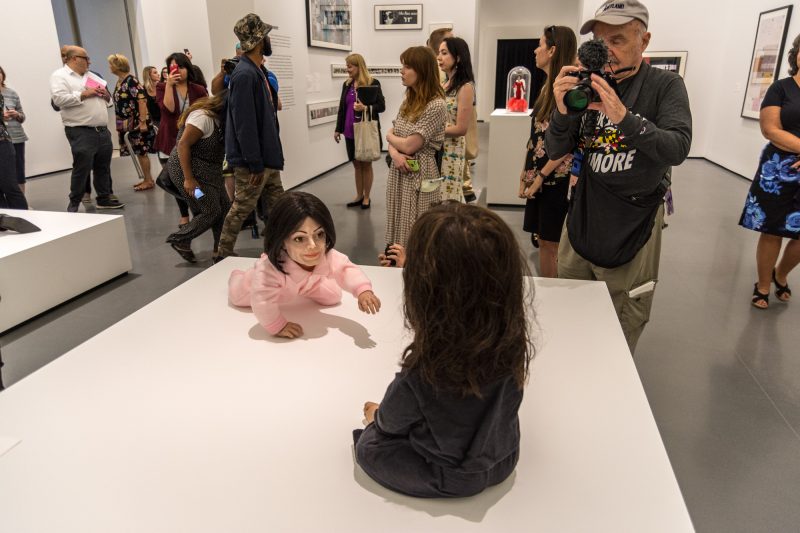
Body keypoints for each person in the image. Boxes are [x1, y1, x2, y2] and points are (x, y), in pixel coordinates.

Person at [354, 202, 533, 498]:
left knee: (369, 446)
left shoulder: (425, 369)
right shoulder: (511, 342)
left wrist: (377, 417)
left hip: (447, 475)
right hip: (504, 459)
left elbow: (391, 422)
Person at [545, 0, 692, 352]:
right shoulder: (587, 85)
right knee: (570, 310)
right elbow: (554, 151)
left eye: (617, 40)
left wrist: (625, 118)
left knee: (621, 321)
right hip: (583, 215)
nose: (606, 51)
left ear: (645, 40)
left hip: (634, 220)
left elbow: (677, 147)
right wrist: (562, 110)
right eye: (598, 42)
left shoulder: (665, 85)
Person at [228, 191, 381, 339]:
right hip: (253, 289)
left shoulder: (326, 255)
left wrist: (363, 290)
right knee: (237, 294)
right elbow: (262, 301)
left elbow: (346, 269)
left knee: (334, 297)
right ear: (281, 240)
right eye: (299, 239)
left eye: (319, 235)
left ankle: (308, 284)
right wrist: (277, 326)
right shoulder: (268, 271)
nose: (313, 246)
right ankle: (237, 275)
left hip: (305, 284)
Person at [739, 33, 800, 309]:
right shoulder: (781, 88)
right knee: (772, 229)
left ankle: (781, 274)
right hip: (779, 170)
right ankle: (763, 284)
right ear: (796, 54)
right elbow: (770, 129)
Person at [217, 13, 285, 261]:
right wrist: (254, 162)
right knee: (242, 207)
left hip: (266, 157)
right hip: (254, 161)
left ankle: (278, 248)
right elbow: (244, 124)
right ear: (258, 40)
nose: (268, 40)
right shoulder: (245, 75)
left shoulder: (256, 71)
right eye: (265, 35)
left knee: (278, 208)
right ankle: (222, 253)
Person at [519, 25, 577, 278]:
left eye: (540, 45)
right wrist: (525, 173)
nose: (535, 50)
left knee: (552, 243)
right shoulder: (547, 87)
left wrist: (540, 176)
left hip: (557, 179)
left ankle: (554, 297)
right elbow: (536, 137)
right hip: (542, 176)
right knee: (543, 240)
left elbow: (569, 144)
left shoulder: (569, 89)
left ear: (553, 50)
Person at [385, 46, 447, 248]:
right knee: (397, 222)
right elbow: (394, 135)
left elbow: (410, 144)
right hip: (400, 170)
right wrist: (395, 154)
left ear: (423, 70)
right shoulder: (409, 100)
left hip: (422, 173)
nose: (402, 71)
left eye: (408, 66)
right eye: (403, 65)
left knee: (419, 228)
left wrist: (389, 137)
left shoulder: (436, 105)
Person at [50, 46, 124, 212]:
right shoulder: (59, 76)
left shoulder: (93, 76)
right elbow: (58, 99)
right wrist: (84, 94)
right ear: (74, 58)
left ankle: (104, 198)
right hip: (80, 130)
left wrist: (106, 97)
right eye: (85, 58)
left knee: (103, 166)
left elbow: (109, 101)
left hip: (102, 130)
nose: (89, 61)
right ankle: (74, 203)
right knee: (82, 168)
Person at [166, 92, 230, 263]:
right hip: (187, 174)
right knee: (210, 210)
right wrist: (188, 179)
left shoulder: (222, 121)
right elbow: (183, 145)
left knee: (224, 207)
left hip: (210, 173)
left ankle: (220, 250)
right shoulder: (203, 117)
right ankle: (181, 239)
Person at [155, 52, 208, 227]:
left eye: (181, 67)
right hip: (170, 139)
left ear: (188, 68)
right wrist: (169, 85)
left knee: (194, 178)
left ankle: (200, 208)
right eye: (173, 67)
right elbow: (169, 108)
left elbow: (206, 112)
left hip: (193, 140)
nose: (177, 71)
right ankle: (184, 214)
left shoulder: (198, 89)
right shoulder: (162, 87)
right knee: (177, 180)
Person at [334, 53, 386, 209]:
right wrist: (338, 129)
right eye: (347, 66)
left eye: (350, 66)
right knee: (357, 165)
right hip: (350, 130)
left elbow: (382, 106)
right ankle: (359, 195)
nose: (347, 69)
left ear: (358, 66)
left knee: (366, 165)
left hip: (365, 130)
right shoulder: (347, 85)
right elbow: (342, 108)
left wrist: (366, 108)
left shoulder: (372, 83)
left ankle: (367, 197)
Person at [108, 54, 156, 191]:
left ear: (118, 66)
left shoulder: (131, 81)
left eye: (111, 64)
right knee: (139, 151)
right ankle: (147, 179)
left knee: (142, 151)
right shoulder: (120, 81)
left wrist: (142, 122)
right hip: (127, 123)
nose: (110, 67)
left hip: (136, 123)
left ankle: (148, 180)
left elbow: (142, 101)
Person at [437, 37, 475, 202]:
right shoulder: (444, 84)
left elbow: (461, 128)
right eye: (439, 53)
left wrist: (433, 130)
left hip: (451, 151)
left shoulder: (465, 87)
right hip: (438, 147)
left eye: (444, 53)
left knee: (449, 198)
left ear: (458, 57)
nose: (439, 57)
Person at [0, 66, 29, 195]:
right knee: (4, 172)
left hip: (16, 136)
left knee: (19, 170)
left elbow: (22, 117)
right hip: (2, 139)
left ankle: (22, 200)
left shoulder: (11, 93)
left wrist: (16, 114)